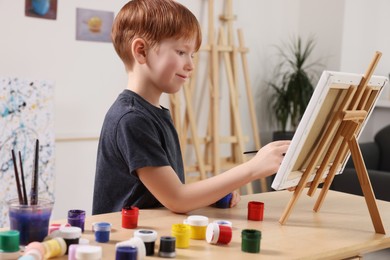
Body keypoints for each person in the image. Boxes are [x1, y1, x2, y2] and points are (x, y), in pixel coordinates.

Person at [92, 0, 290, 215]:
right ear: (141, 51)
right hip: (126, 243)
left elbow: (165, 195)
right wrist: (252, 168)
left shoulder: (151, 113)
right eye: (180, 52)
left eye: (192, 55)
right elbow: (177, 199)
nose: (191, 65)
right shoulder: (132, 119)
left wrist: (212, 193)